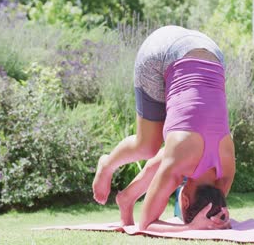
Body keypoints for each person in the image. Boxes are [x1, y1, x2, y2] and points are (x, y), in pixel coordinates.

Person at [92, 25, 236, 232]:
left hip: (211, 52)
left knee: (169, 155)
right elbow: (146, 225)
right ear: (183, 200)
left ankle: (128, 198)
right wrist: (190, 228)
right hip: (162, 50)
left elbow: (166, 164)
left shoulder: (225, 173)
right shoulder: (179, 163)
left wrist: (217, 218)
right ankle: (107, 164)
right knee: (147, 146)